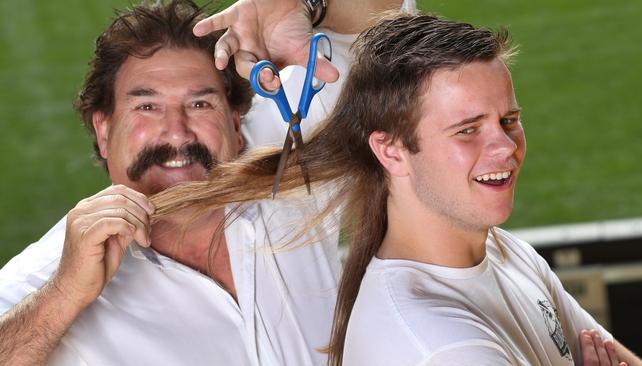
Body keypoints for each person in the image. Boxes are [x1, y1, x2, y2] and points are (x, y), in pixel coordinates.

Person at [152, 11, 642, 366]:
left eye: (509, 120)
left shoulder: (502, 251)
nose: (506, 147)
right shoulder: (437, 345)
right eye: (468, 130)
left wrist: (307, 5)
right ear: (390, 151)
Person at [0, 0, 406, 365]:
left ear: (235, 123)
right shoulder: (54, 275)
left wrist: (311, 5)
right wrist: (62, 297)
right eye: (147, 106)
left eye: (200, 103)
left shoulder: (285, 150)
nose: (176, 132)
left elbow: (386, 15)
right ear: (104, 131)